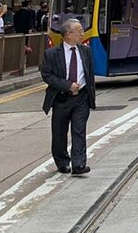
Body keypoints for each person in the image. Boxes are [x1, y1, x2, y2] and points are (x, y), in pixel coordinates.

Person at [40, 18, 96, 175]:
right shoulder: (51, 54)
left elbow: (89, 73)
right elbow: (47, 75)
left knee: (79, 130)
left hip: (82, 98)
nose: (82, 33)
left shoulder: (86, 51)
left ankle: (78, 164)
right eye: (79, 31)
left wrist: (87, 91)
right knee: (59, 132)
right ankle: (63, 162)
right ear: (68, 34)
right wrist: (67, 85)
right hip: (61, 98)